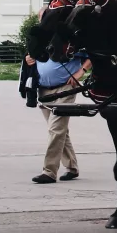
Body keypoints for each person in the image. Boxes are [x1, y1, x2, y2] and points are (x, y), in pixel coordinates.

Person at [26, 48, 91, 184]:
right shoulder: (43, 39)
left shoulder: (68, 39)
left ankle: (49, 171)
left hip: (65, 89)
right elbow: (33, 55)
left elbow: (91, 56)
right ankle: (72, 167)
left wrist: (81, 71)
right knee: (60, 131)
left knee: (55, 129)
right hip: (43, 90)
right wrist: (28, 58)